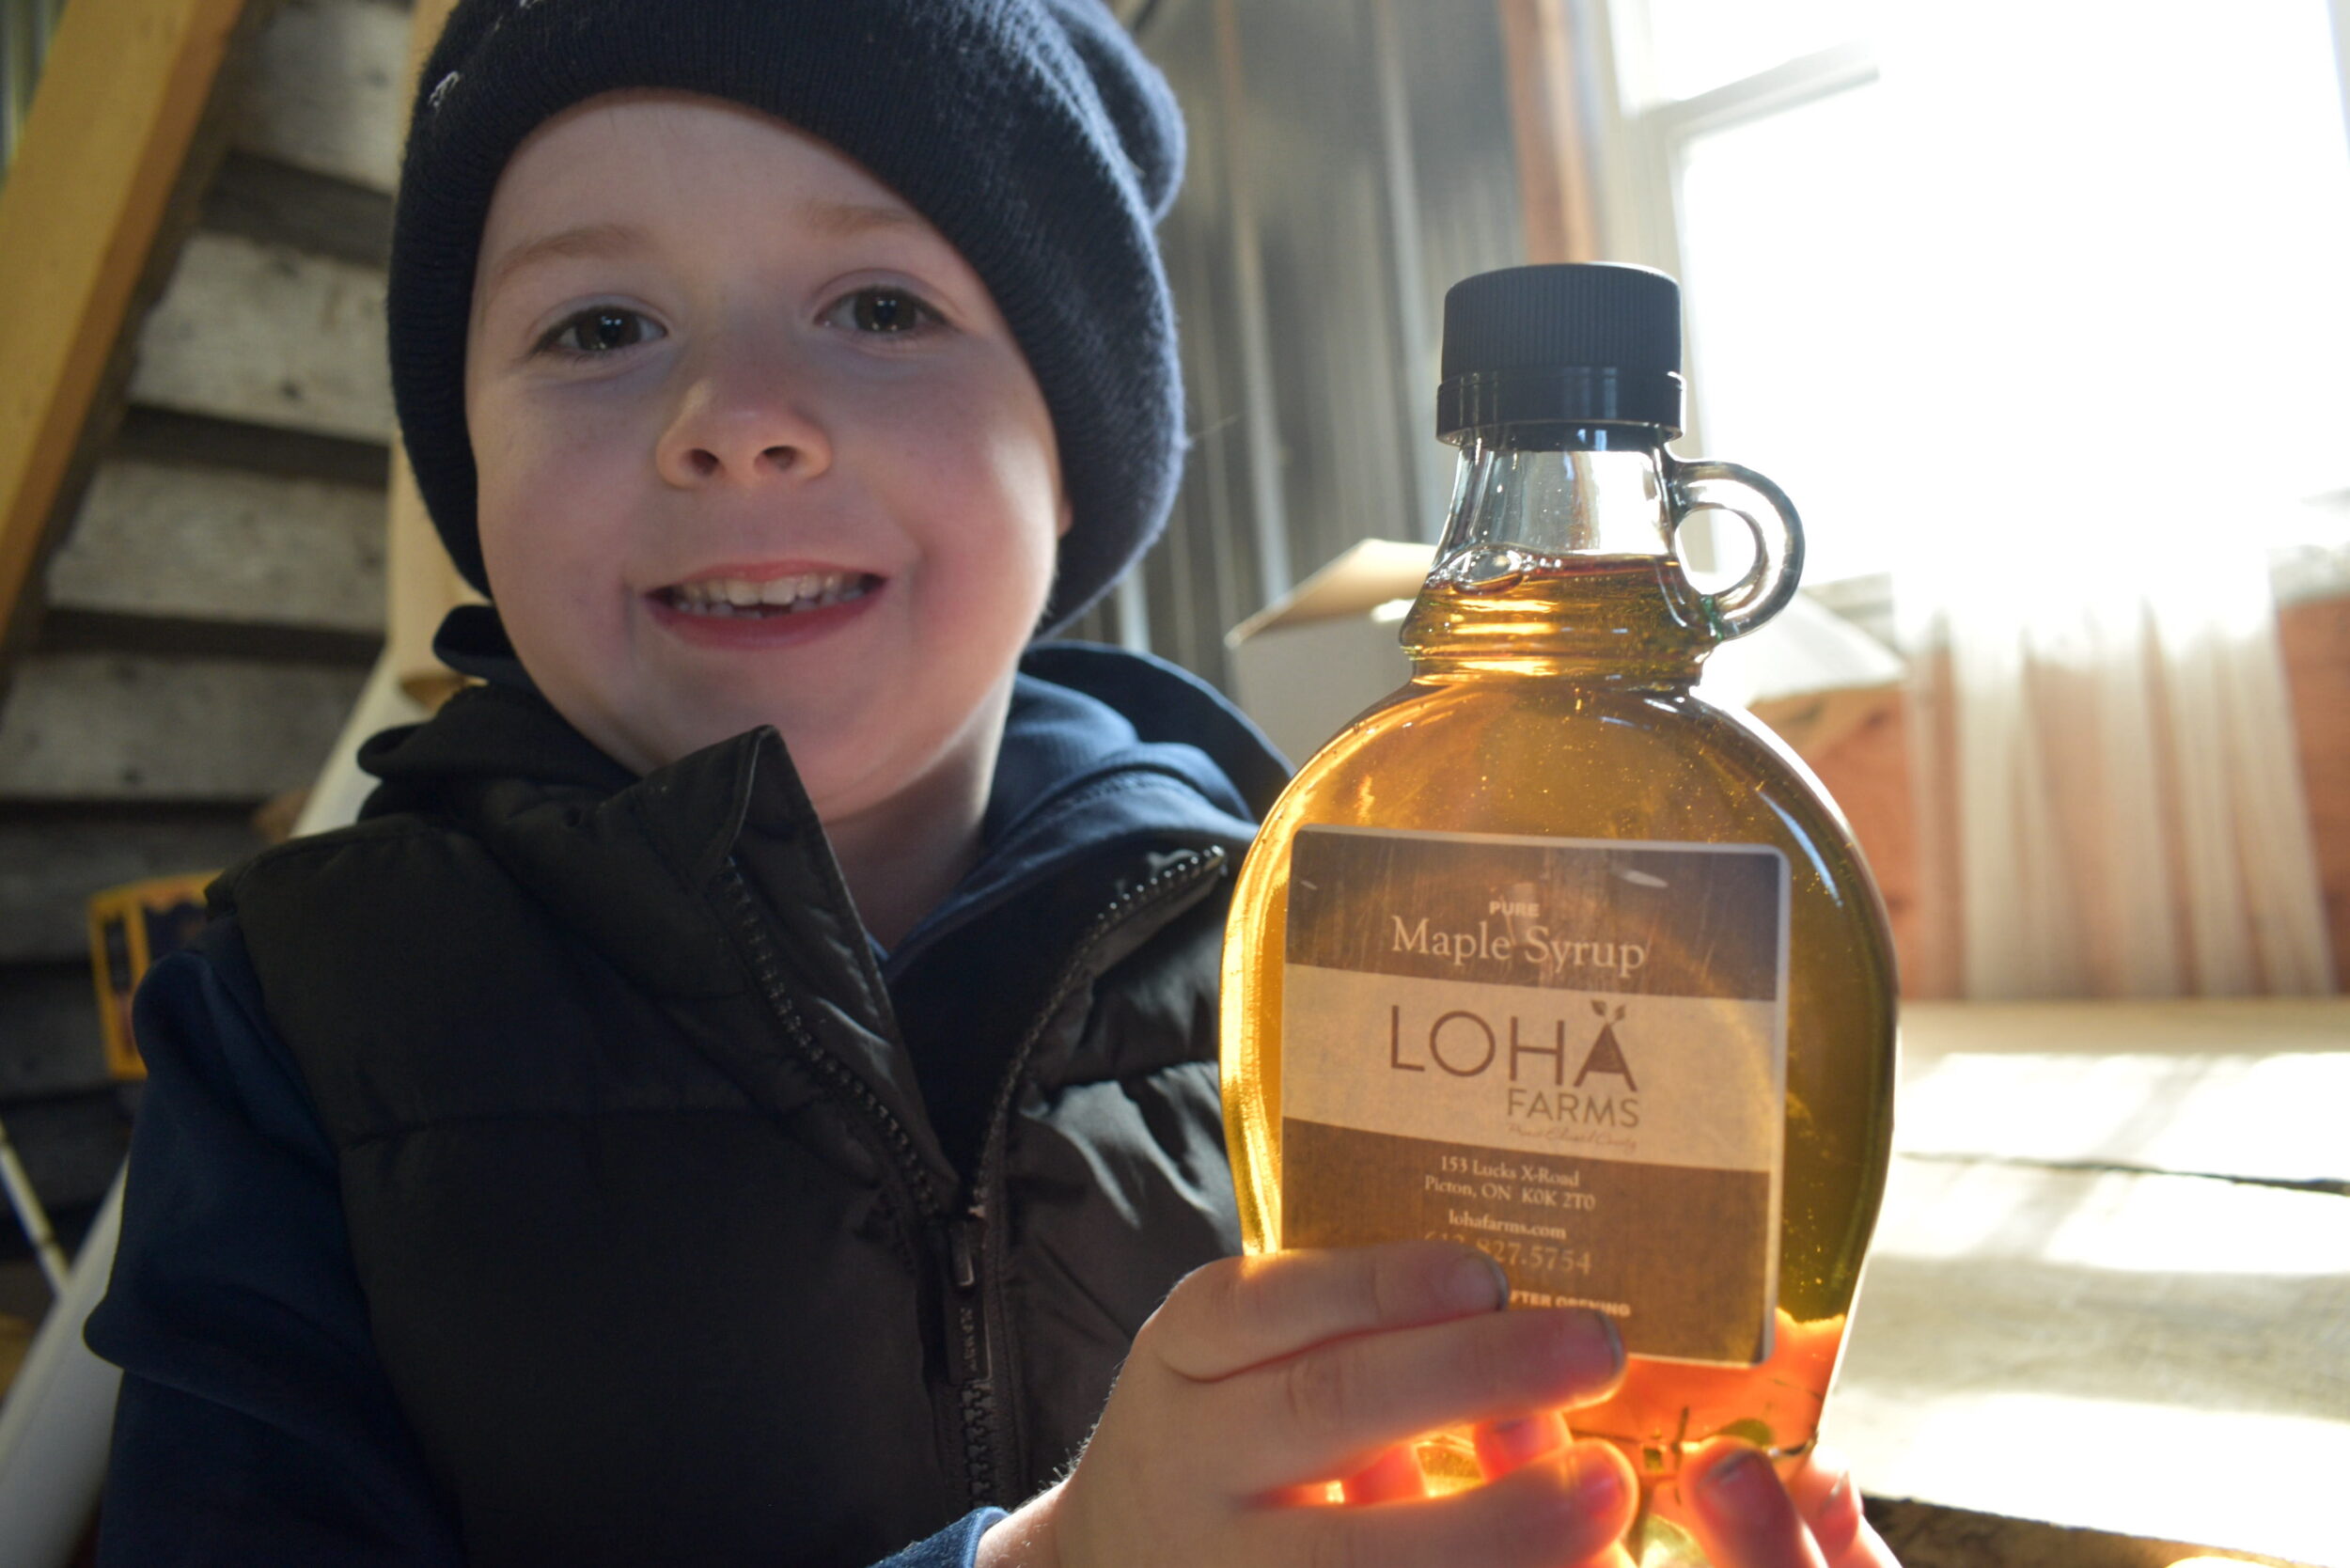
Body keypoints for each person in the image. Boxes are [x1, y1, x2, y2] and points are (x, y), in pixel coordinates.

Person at [84, 3, 1901, 1565]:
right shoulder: (298, 1025)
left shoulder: (1328, 933)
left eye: (878, 305)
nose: (735, 413)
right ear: (463, 460)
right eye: (596, 327)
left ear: (1072, 463)